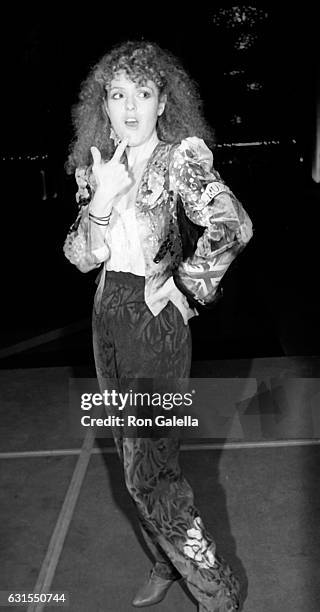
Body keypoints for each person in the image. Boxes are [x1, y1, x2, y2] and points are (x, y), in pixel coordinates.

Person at [63, 40, 252, 612]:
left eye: (142, 93)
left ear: (164, 100)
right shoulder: (100, 163)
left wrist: (189, 284)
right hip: (106, 319)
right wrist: (100, 201)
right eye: (117, 94)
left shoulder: (180, 159)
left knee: (150, 473)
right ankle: (166, 561)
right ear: (104, 102)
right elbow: (79, 255)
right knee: (135, 460)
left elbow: (233, 224)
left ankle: (218, 592)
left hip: (153, 322)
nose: (129, 107)